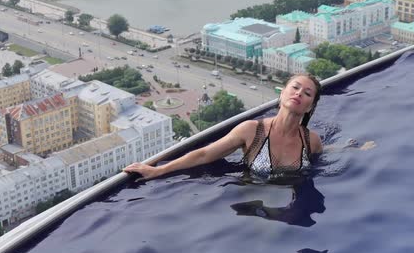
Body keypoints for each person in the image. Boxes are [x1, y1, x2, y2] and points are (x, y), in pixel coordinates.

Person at [123, 73, 324, 181]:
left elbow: (323, 157)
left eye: (307, 93)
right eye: (295, 87)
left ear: (311, 107)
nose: (298, 94)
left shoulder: (311, 141)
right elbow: (204, 154)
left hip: (291, 202)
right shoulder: (252, 130)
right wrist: (159, 170)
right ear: (281, 94)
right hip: (255, 202)